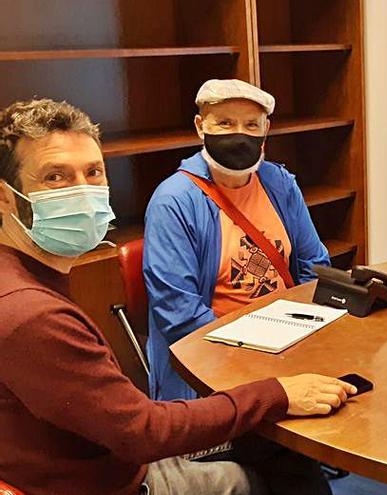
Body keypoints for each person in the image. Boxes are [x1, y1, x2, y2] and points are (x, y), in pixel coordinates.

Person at [0, 99, 355, 495]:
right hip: (125, 477)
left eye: (93, 172)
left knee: (281, 451)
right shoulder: (30, 315)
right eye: (55, 177)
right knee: (278, 478)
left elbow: (314, 262)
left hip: (108, 447)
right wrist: (276, 391)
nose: (82, 191)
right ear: (5, 197)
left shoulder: (27, 279)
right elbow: (145, 431)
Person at [144, 79, 331, 401]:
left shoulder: (279, 182)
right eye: (225, 123)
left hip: (289, 341)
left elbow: (314, 265)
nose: (238, 134)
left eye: (251, 125)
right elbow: (181, 315)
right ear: (201, 126)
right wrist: (255, 362)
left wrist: (305, 333)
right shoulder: (173, 201)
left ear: (266, 129)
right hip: (216, 357)